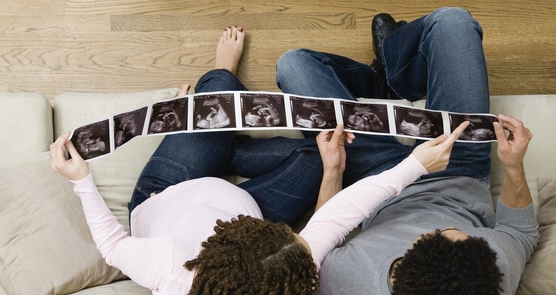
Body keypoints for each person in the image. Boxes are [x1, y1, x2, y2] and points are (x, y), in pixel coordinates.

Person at [50, 25, 469, 294]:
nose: (301, 236)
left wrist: (81, 179)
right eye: (293, 236)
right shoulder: (290, 270)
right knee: (318, 152)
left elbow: (112, 247)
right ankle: (214, 138)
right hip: (248, 203)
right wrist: (411, 165)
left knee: (217, 96)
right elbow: (339, 216)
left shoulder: (167, 269)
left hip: (171, 191)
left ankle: (212, 112)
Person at [275, 7, 538, 294]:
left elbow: (319, 237)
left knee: (294, 65)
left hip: (376, 182)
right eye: (465, 234)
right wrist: (513, 165)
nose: (440, 224)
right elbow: (520, 233)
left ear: (403, 260)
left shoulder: (347, 281)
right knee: (453, 22)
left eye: (437, 233)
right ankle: (396, 71)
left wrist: (333, 170)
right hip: (458, 169)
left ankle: (380, 85)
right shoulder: (490, 276)